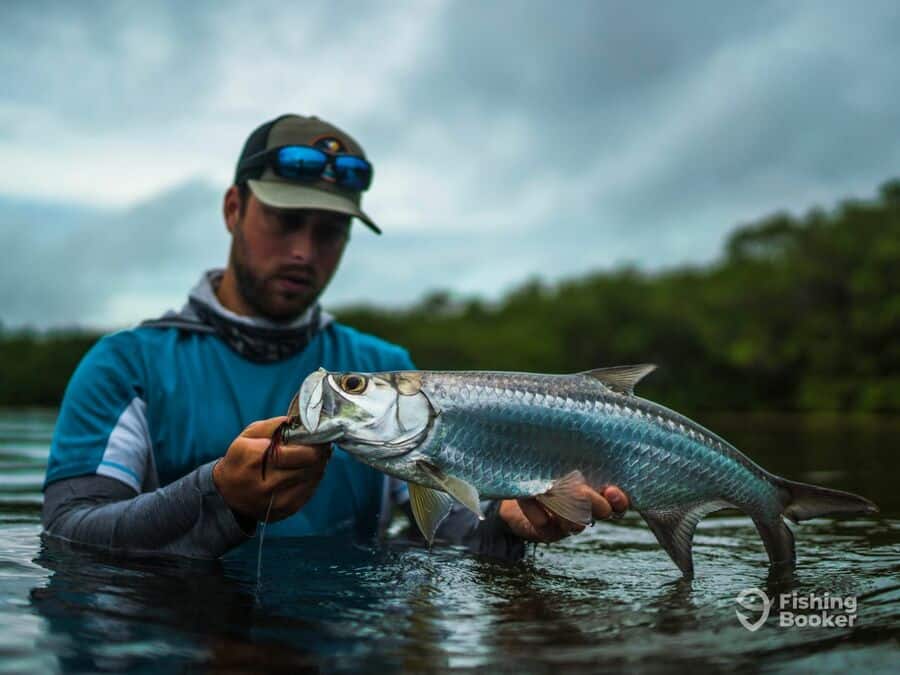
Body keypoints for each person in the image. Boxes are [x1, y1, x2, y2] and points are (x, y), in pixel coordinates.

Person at [41, 114, 629, 560]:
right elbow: (68, 532)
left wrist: (510, 524)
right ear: (232, 208)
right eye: (285, 219)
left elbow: (454, 535)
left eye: (331, 230)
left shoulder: (384, 370)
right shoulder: (125, 366)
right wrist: (220, 496)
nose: (304, 250)